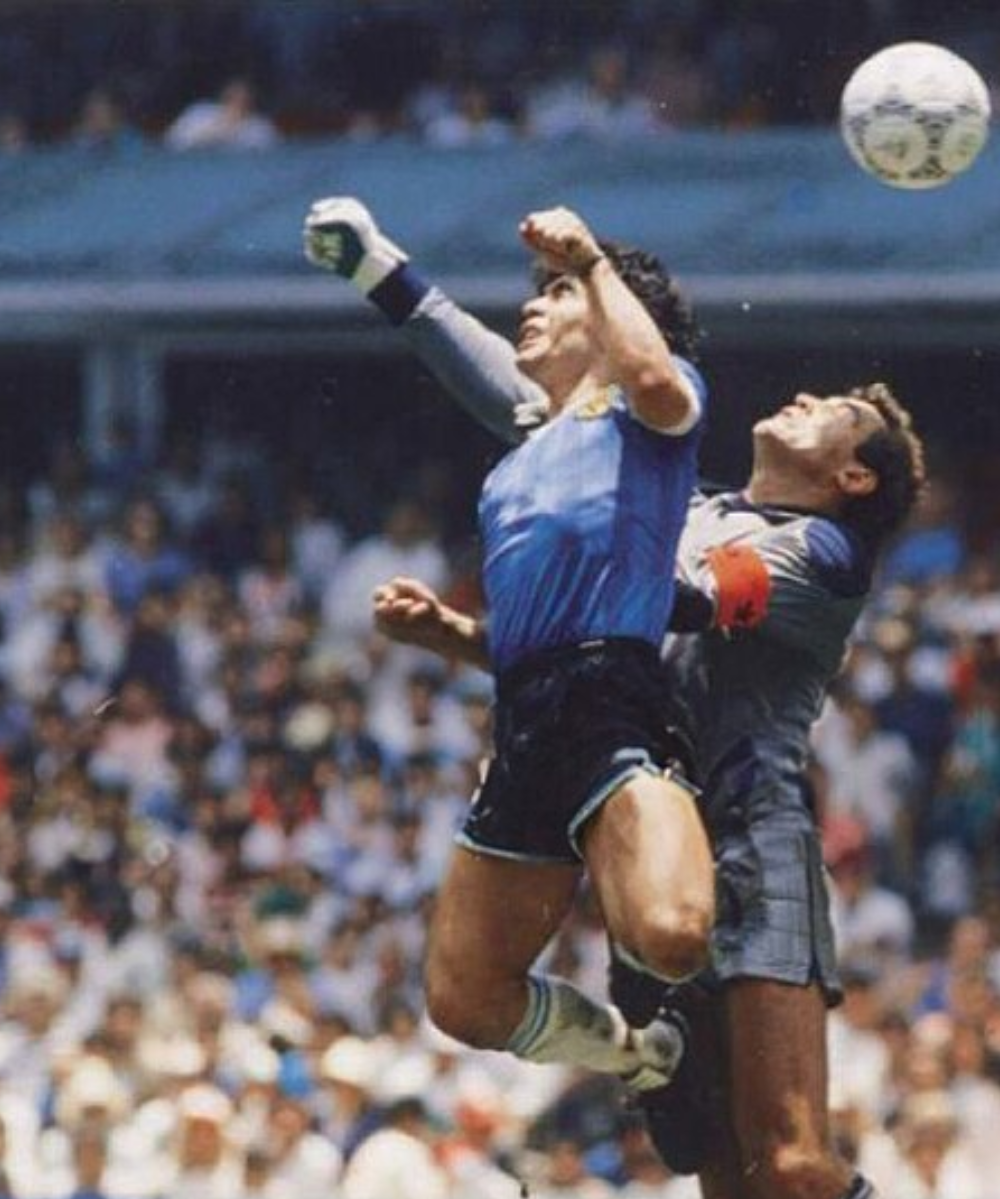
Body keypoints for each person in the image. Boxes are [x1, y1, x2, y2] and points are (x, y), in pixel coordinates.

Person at [336, 216, 1000, 1199]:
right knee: (734, 1188)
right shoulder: (689, 503)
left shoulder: (816, 553)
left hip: (745, 843)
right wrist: (467, 635)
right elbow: (560, 508)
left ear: (853, 477)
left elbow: (678, 603)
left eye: (830, 412)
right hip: (636, 810)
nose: (799, 398)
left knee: (796, 1159)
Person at [304, 197, 714, 1105]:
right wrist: (448, 634)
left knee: (672, 935)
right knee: (464, 999)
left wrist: (592, 262)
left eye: (555, 294)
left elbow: (647, 374)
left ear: (608, 314)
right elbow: (468, 355)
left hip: (615, 701)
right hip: (525, 715)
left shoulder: (652, 410)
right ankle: (639, 1053)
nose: (531, 305)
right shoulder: (521, 458)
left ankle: (705, 919)